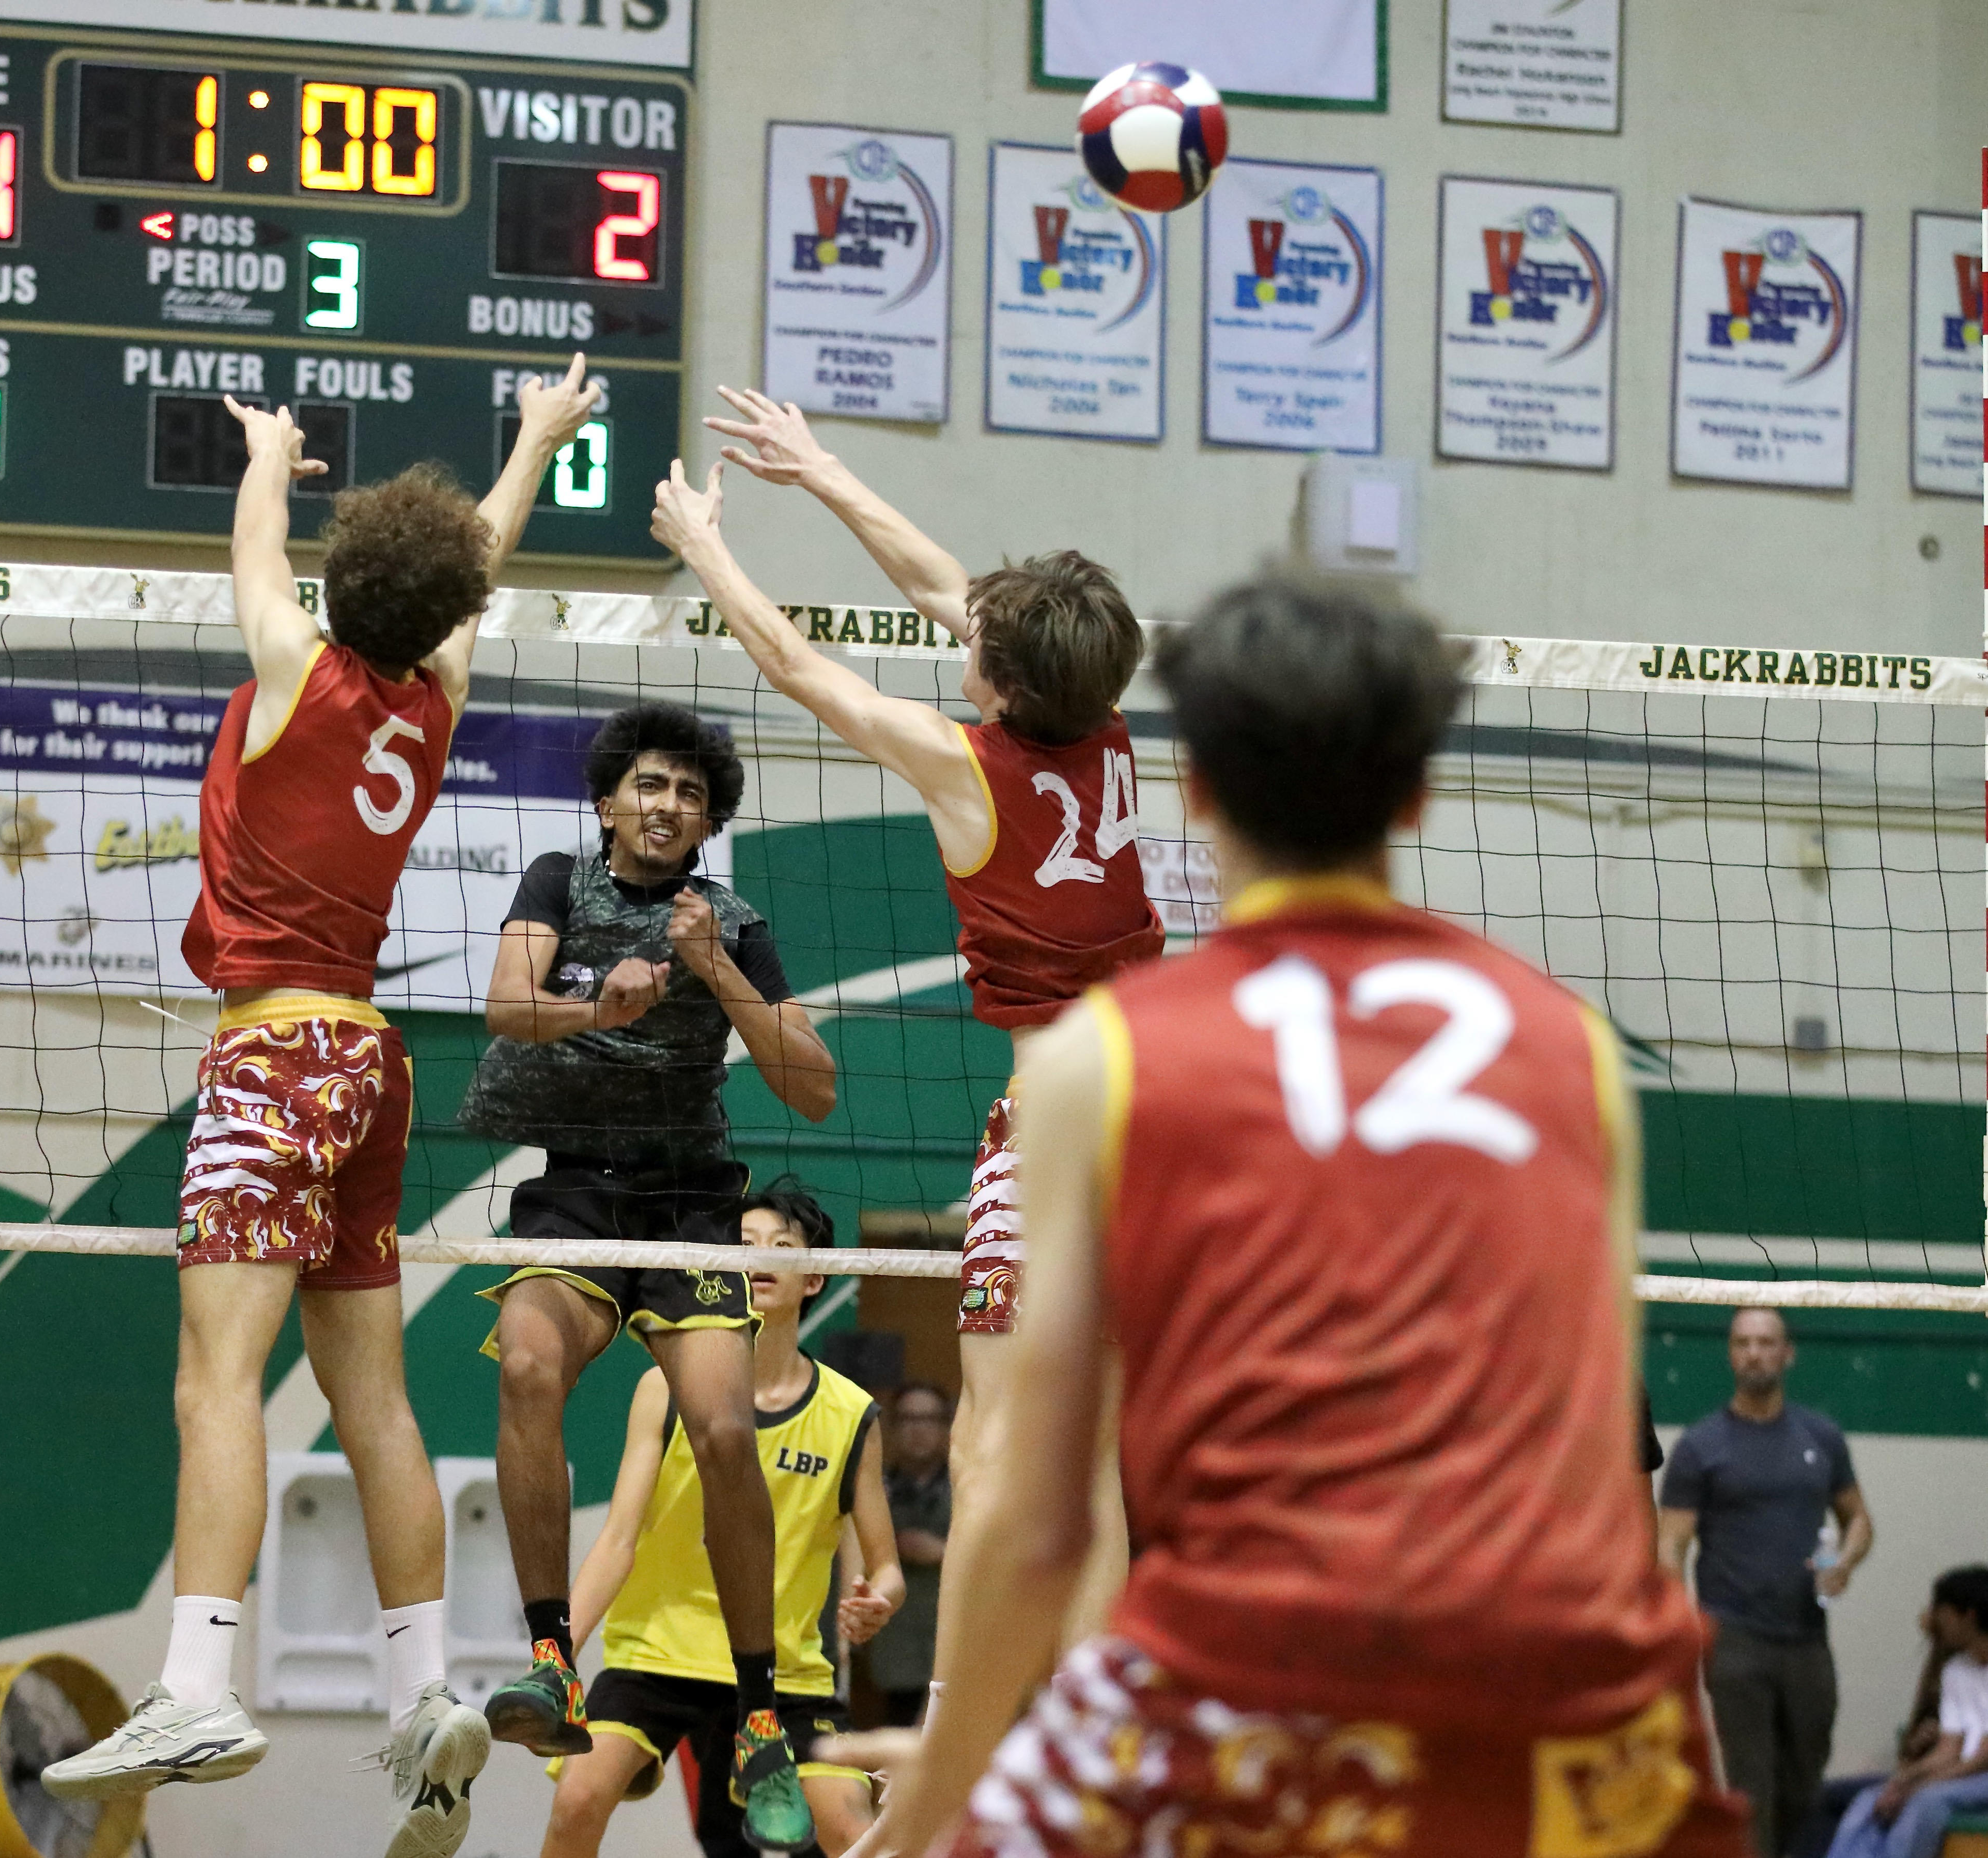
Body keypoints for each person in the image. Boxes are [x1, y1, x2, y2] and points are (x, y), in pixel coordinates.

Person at [851, 575, 1746, 1857]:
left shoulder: (1101, 1057)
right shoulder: (1564, 1046)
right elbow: (1598, 1441)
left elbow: (1037, 1514)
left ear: (1197, 791)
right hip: (1571, 1703)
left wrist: (945, 1777)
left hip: (1257, 1673)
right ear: (1418, 792)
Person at [43, 366, 600, 1858]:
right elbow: (470, 565)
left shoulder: (302, 665)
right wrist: (537, 439)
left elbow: (249, 556)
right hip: (372, 1064)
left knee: (213, 1379)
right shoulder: (436, 693)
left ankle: (195, 1681)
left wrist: (270, 460)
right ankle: (423, 1692)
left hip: (274, 1054)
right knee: (375, 1400)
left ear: (340, 590)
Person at [665, 389, 1162, 1717]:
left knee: (998, 1433)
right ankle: (1101, 1723)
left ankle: (959, 1711)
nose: (963, 629)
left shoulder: (967, 766)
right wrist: (821, 470)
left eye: (979, 639)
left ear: (999, 676)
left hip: (1057, 1122)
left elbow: (794, 667)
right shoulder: (1100, 722)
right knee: (1098, 1459)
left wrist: (703, 546)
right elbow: (949, 585)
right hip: (1165, 1114)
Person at [459, 697, 839, 1852]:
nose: (666, 803)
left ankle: (762, 1711)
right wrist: (598, 1003)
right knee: (529, 1365)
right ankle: (545, 1656)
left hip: (688, 1201)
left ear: (709, 814)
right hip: (574, 1188)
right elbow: (504, 1006)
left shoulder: (732, 919)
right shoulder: (555, 879)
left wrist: (712, 967)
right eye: (649, 783)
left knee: (723, 1430)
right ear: (609, 797)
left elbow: (813, 1084)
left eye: (689, 790)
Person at [543, 1180, 903, 1858]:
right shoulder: (663, 1387)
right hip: (658, 1653)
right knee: (577, 1800)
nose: (760, 1256)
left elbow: (883, 1565)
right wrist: (555, 1652)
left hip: (788, 1672)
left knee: (854, 1829)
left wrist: (879, 1596)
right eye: (742, 1244)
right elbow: (618, 1538)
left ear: (814, 1278)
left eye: (783, 1246)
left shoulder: (852, 1413)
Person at [1662, 1306, 1877, 1855]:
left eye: (1764, 1342)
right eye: (1742, 1343)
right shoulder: (1700, 1445)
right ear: (1730, 1355)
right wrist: (1673, 1620)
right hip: (1732, 1635)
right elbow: (1673, 1542)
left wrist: (1846, 1563)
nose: (1753, 1352)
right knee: (1749, 1784)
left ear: (1787, 1353)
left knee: (1804, 1782)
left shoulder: (1820, 1437)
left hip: (1806, 1637)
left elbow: (1858, 1519)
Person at [1821, 1566, 1988, 1858]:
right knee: (1870, 1800)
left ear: (1969, 1615)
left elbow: (1981, 1760)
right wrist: (1903, 1779)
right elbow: (1949, 1750)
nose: (1935, 1619)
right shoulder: (1957, 1671)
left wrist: (1919, 1785)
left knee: (1925, 1802)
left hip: (1981, 1774)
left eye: (1943, 1611)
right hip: (1963, 1772)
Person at [872, 1383, 953, 1727]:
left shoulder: (974, 1488)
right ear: (892, 1427)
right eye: (908, 1419)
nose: (919, 1428)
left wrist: (943, 1552)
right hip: (894, 1657)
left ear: (947, 1426)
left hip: (957, 1647)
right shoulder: (872, 1488)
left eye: (929, 1418)